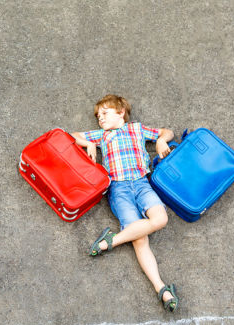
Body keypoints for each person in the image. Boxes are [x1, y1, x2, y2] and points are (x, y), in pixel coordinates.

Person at [71, 94, 179, 312]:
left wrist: (160, 140)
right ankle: (161, 289)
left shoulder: (136, 129)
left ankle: (109, 242)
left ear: (121, 113)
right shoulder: (102, 135)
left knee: (161, 218)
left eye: (105, 113)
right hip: (118, 189)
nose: (100, 118)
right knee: (140, 240)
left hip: (141, 184)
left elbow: (167, 132)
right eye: (98, 115)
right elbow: (71, 135)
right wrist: (89, 143)